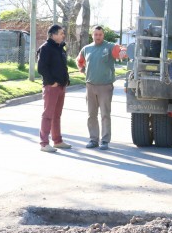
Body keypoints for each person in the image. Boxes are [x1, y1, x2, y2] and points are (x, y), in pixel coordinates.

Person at [76, 25, 127, 151]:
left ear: (103, 35)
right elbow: (79, 60)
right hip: (90, 86)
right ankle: (93, 140)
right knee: (91, 115)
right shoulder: (86, 49)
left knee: (105, 114)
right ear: (92, 35)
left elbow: (122, 50)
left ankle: (105, 141)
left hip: (105, 86)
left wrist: (122, 52)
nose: (98, 37)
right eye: (96, 34)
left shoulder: (109, 46)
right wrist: (81, 68)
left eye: (100, 34)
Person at [36, 24, 72, 152]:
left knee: (57, 115)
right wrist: (52, 82)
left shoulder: (60, 48)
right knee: (48, 115)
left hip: (61, 86)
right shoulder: (45, 48)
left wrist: (66, 80)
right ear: (53, 35)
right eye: (61, 33)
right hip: (51, 87)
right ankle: (44, 143)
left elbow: (63, 66)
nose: (63, 35)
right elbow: (41, 68)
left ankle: (57, 141)